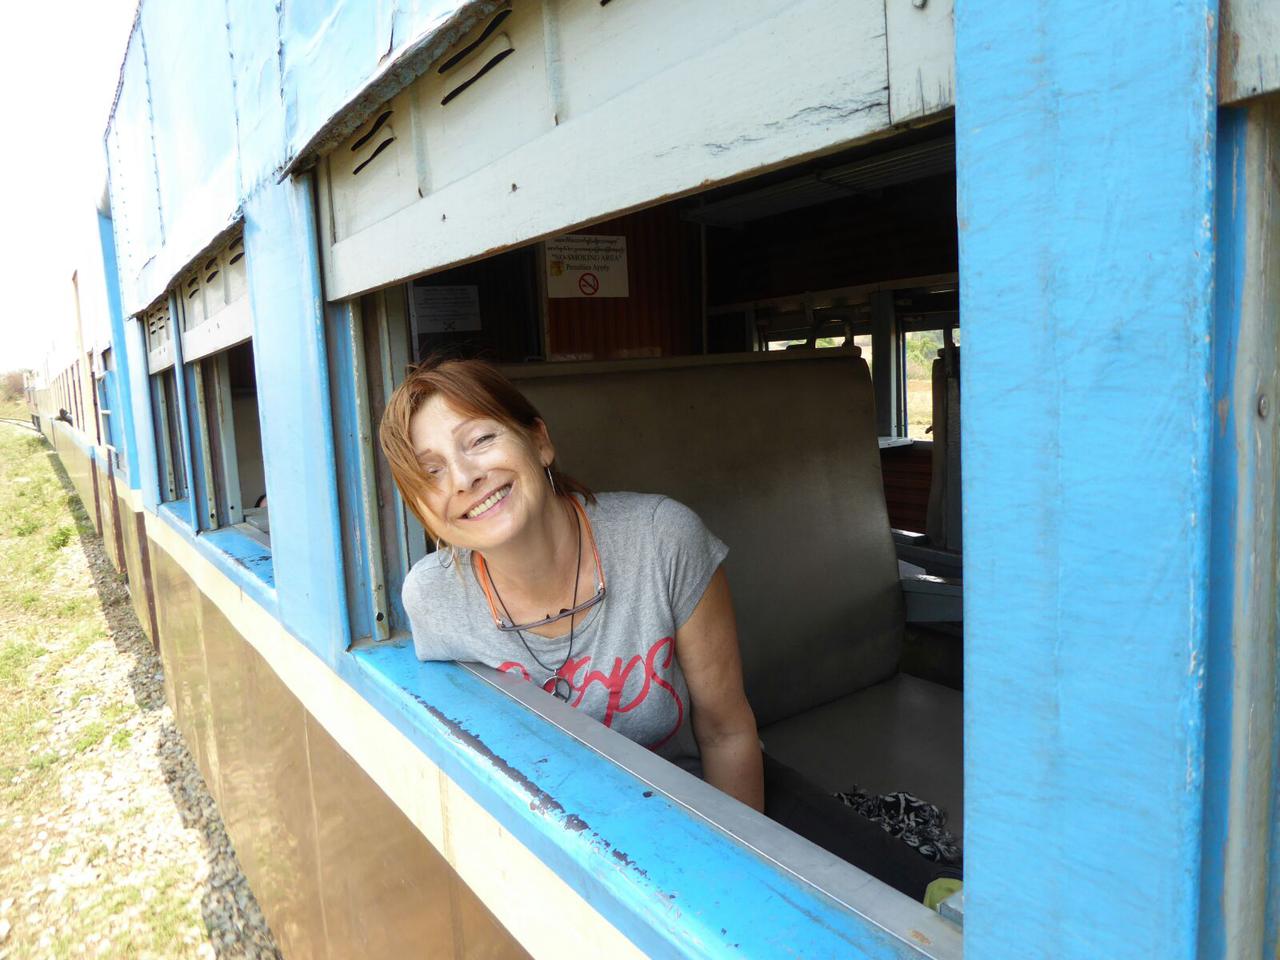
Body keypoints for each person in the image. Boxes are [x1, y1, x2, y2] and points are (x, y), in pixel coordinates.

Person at [379, 357, 764, 811]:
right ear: (421, 511)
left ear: (539, 441)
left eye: (480, 439)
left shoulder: (662, 539)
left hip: (684, 818)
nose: (465, 478)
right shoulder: (433, 598)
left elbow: (725, 732)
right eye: (431, 471)